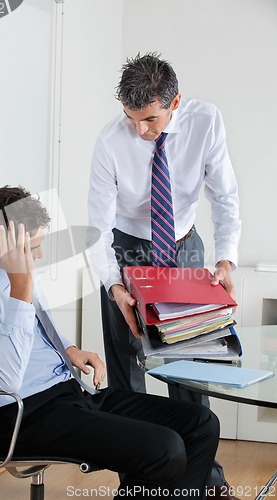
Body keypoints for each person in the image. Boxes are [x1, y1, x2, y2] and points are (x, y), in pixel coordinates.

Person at [0, 185, 220, 499]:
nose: (39, 255)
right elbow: (6, 376)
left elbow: (36, 328)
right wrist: (20, 288)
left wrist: (69, 349)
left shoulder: (13, 271)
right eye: (32, 247)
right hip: (21, 415)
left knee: (201, 424)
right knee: (163, 450)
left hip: (67, 393)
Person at [87, 53, 241, 498]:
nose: (140, 130)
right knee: (126, 366)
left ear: (175, 102)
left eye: (150, 119)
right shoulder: (109, 142)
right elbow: (95, 228)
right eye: (131, 118)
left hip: (183, 244)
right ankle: (137, 483)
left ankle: (205, 479)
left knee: (189, 365)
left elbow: (225, 198)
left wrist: (226, 260)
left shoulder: (206, 122)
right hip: (124, 248)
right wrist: (115, 285)